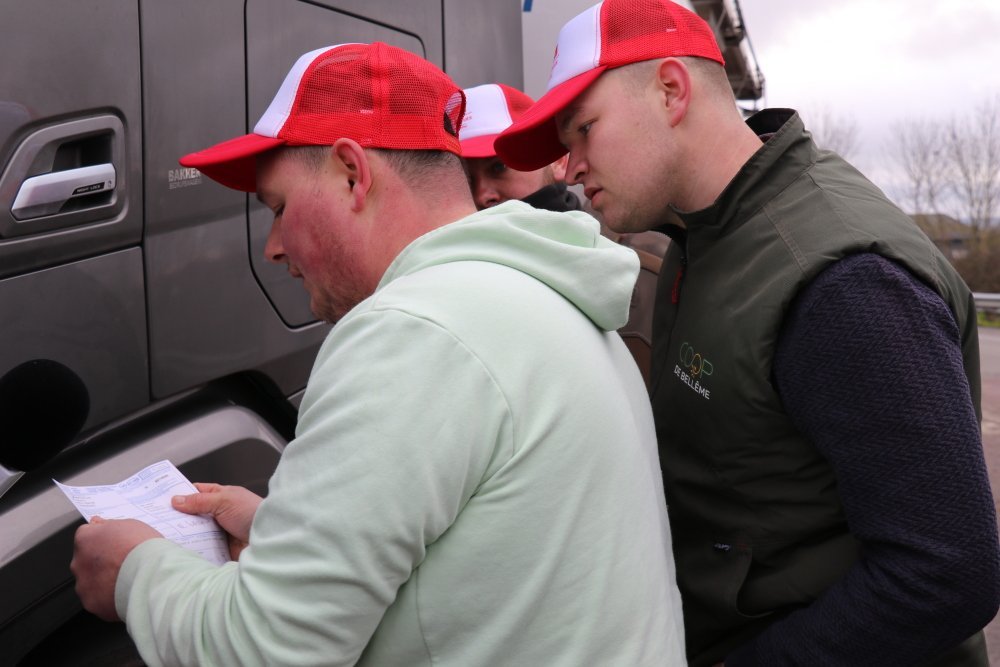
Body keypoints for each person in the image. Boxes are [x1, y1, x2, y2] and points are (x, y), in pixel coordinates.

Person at [69, 42, 687, 666]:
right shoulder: (544, 293)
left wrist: (133, 571)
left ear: (351, 173)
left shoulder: (414, 331)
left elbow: (265, 650)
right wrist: (287, 535)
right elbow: (498, 556)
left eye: (280, 208)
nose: (273, 247)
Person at [494, 1, 1000, 665]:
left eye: (583, 130)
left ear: (671, 90)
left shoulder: (841, 281)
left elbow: (946, 571)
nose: (569, 167)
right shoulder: (704, 232)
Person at [460, 81, 668, 388]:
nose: (481, 194)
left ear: (557, 162)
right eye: (465, 176)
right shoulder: (446, 284)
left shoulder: (648, 277)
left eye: (498, 167)